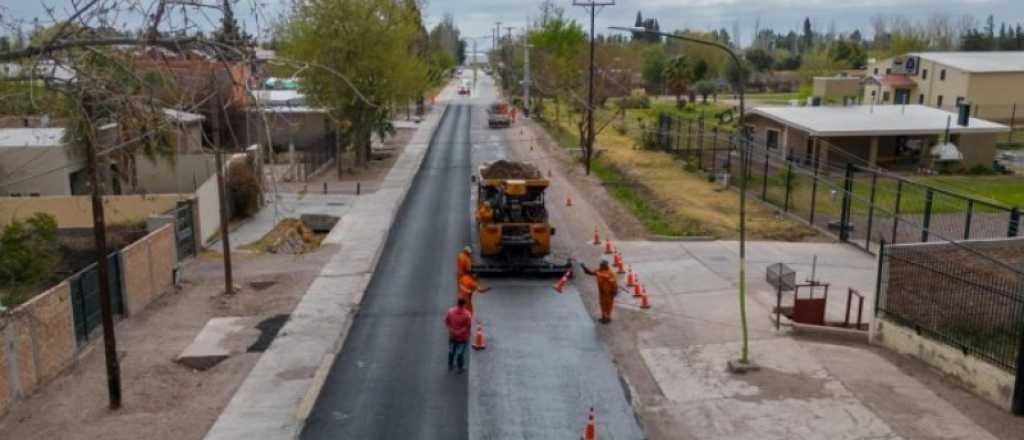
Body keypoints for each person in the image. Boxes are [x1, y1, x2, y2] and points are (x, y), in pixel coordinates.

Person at [444, 298, 473, 374]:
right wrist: (460, 332)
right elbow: (468, 326)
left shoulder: (450, 311)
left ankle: (450, 365)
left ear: (457, 303)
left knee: (451, 351)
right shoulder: (467, 314)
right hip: (462, 338)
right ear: (464, 304)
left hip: (452, 336)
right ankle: (460, 368)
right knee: (460, 353)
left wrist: (452, 330)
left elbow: (446, 322)